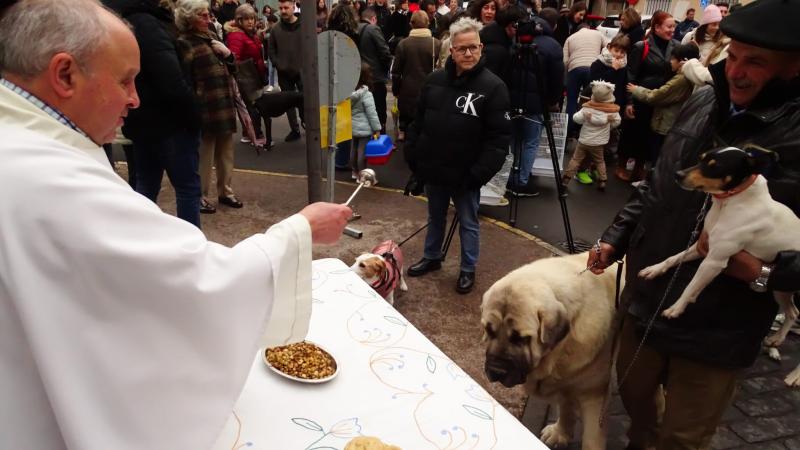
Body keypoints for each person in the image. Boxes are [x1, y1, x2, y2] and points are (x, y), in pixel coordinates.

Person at [0, 1, 352, 448]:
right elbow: (197, 281)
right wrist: (300, 229)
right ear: (65, 74)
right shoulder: (50, 180)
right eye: (125, 79)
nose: (135, 98)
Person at [586, 0, 800, 447]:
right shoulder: (703, 98)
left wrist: (763, 275)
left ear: (793, 68)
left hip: (718, 328)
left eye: (756, 62)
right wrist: (616, 237)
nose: (737, 71)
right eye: (734, 55)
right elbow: (655, 183)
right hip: (646, 300)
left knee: (682, 437)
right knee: (636, 400)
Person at [404, 17, 511, 294]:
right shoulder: (434, 81)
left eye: (473, 48)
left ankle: (467, 268)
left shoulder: (494, 87)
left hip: (466, 174)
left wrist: (477, 174)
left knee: (468, 223)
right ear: (451, 50)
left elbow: (499, 140)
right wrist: (415, 160)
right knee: (434, 216)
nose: (468, 53)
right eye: (462, 48)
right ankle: (431, 257)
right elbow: (417, 124)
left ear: (481, 48)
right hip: (435, 169)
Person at [105, 0, 203, 228]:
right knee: (187, 188)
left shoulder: (125, 20)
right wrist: (195, 116)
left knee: (146, 184)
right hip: (170, 123)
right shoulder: (148, 24)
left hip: (142, 121)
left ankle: (139, 237)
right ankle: (191, 247)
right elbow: (171, 81)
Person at [481, 7, 562, 197]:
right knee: (531, 143)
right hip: (535, 105)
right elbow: (557, 79)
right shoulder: (551, 46)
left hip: (513, 101)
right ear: (554, 26)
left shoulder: (516, 43)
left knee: (515, 140)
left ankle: (511, 176)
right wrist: (552, 101)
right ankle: (521, 181)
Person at [176, 0, 244, 214]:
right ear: (189, 18)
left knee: (226, 152)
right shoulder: (184, 42)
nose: (208, 19)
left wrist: (229, 55)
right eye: (202, 16)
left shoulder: (212, 36)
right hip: (204, 106)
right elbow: (184, 78)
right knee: (204, 155)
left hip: (222, 102)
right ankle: (200, 196)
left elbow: (232, 69)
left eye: (208, 14)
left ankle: (225, 191)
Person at [616, 10, 677, 182]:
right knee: (632, 132)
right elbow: (630, 75)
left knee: (649, 134)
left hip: (659, 99)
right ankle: (621, 165)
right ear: (657, 27)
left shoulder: (675, 47)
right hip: (639, 98)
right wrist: (628, 102)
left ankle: (639, 167)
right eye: (669, 26)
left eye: (674, 27)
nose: (672, 30)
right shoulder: (641, 46)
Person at [627, 43, 699, 159]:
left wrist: (636, 90)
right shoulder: (688, 76)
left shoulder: (681, 79)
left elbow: (657, 96)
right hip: (670, 124)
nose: (670, 61)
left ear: (682, 61)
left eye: (673, 58)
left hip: (665, 126)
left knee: (658, 157)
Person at [561, 81, 621, 191]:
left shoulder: (587, 108)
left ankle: (566, 178)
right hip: (599, 143)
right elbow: (616, 123)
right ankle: (602, 180)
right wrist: (609, 122)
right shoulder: (612, 111)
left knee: (575, 160)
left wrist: (585, 117)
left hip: (584, 141)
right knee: (600, 161)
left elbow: (576, 119)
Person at [392, 10, 440, 141]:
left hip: (407, 93)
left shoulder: (403, 44)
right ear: (428, 23)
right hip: (430, 92)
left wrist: (396, 90)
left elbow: (396, 72)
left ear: (410, 24)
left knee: (409, 129)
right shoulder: (436, 43)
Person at [226, 4, 270, 147]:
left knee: (253, 107)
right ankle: (256, 135)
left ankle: (250, 134)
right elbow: (234, 58)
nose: (250, 21)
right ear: (239, 20)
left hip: (253, 75)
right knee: (252, 108)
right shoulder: (237, 35)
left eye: (252, 18)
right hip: (246, 78)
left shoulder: (249, 33)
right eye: (246, 19)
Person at [589, 33, 629, 171]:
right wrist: (613, 70)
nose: (619, 55)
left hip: (614, 106)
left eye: (622, 52)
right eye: (616, 51)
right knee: (596, 135)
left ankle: (602, 163)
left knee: (610, 135)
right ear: (610, 48)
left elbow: (623, 87)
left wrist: (623, 105)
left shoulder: (624, 67)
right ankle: (590, 163)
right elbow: (597, 85)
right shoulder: (598, 63)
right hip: (599, 105)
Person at [563, 23, 607, 137]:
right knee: (590, 100)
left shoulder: (570, 38)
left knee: (571, 100)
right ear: (588, 27)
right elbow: (609, 47)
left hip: (574, 69)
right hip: (592, 69)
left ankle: (569, 131)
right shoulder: (598, 33)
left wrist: (567, 77)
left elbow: (565, 60)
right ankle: (584, 130)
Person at [269, 0, 304, 142]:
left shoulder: (304, 27)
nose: (283, 11)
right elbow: (271, 50)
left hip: (303, 71)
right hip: (284, 72)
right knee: (288, 103)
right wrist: (278, 64)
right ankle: (294, 130)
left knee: (306, 100)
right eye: (281, 8)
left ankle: (308, 124)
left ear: (293, 6)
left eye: (286, 7)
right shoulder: (275, 29)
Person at [358, 7, 393, 132]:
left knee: (363, 109)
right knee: (379, 108)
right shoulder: (373, 29)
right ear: (374, 19)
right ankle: (380, 136)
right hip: (375, 77)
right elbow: (384, 52)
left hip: (359, 76)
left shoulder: (355, 29)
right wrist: (386, 69)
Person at [349, 63, 382, 178]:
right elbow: (372, 113)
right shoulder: (366, 94)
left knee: (353, 150)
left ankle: (354, 172)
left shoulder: (348, 92)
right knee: (362, 153)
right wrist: (377, 129)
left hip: (352, 127)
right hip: (364, 129)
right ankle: (363, 175)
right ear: (366, 77)